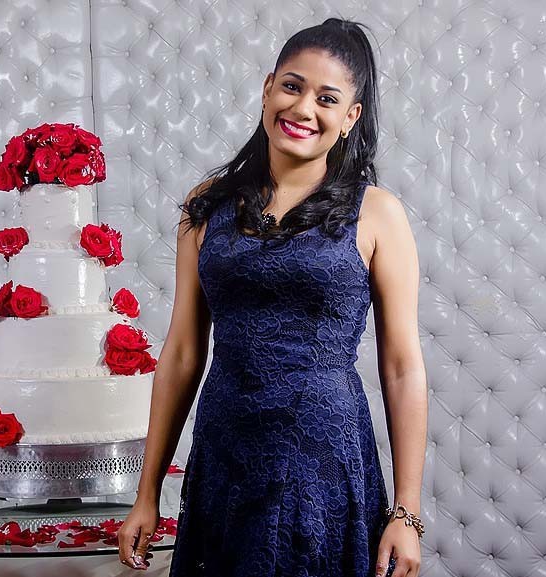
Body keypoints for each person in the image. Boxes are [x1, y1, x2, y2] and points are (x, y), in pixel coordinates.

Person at [118, 17, 428, 577]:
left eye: (327, 98)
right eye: (292, 86)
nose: (303, 108)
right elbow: (183, 352)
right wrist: (147, 494)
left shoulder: (378, 213)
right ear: (267, 89)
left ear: (350, 117)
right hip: (225, 456)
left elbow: (402, 367)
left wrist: (407, 513)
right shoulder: (206, 205)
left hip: (323, 463)